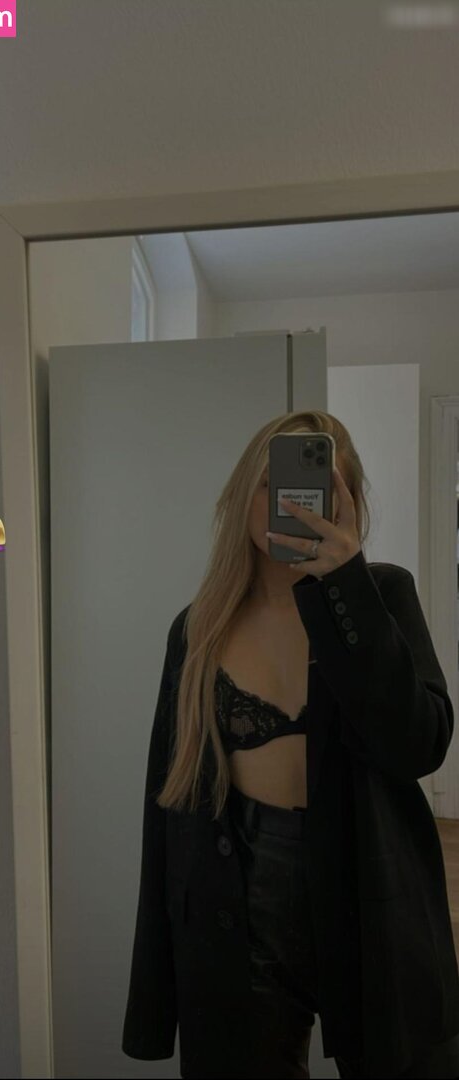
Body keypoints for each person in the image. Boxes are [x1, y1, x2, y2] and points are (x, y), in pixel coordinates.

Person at [122, 409, 459, 1079]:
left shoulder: (381, 595)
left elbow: (419, 746)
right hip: (234, 889)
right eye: (273, 484)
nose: (294, 502)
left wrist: (346, 583)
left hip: (366, 877)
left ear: (348, 504)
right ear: (242, 494)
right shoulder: (198, 629)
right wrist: (154, 994)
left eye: (321, 487)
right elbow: (167, 805)